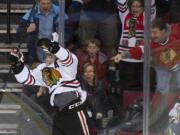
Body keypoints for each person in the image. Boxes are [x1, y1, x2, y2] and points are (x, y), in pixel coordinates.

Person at [9, 38, 91, 135]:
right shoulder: (43, 70)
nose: (48, 58)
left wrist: (52, 46)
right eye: (47, 56)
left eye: (51, 56)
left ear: (56, 56)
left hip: (75, 111)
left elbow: (66, 57)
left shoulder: (67, 66)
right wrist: (18, 64)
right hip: (60, 114)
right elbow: (26, 79)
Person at [112, 18, 180, 131]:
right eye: (150, 32)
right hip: (165, 69)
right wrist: (123, 55)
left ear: (163, 31)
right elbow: (140, 50)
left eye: (155, 32)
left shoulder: (176, 30)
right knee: (162, 84)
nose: (152, 35)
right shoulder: (150, 42)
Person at [114, 0, 156, 91]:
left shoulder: (147, 17)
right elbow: (121, 2)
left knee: (143, 88)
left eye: (138, 6)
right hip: (125, 59)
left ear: (143, 8)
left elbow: (151, 5)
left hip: (142, 60)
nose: (134, 8)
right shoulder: (125, 15)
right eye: (133, 6)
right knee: (126, 89)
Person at [80, 63, 108, 133]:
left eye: (90, 71)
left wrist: (101, 112)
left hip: (99, 117)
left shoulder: (100, 85)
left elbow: (105, 102)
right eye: (85, 72)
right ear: (83, 74)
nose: (88, 74)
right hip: (86, 118)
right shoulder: (80, 87)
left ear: (94, 73)